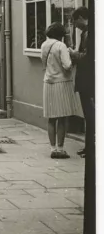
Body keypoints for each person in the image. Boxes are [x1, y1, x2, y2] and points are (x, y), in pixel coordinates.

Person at [41, 22, 83, 159]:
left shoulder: (44, 45)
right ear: (61, 34)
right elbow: (67, 65)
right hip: (62, 83)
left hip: (48, 83)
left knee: (51, 118)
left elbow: (44, 63)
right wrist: (73, 57)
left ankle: (52, 148)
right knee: (62, 117)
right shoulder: (61, 46)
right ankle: (60, 148)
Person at [69, 6, 93, 158]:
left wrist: (73, 54)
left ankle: (91, 149)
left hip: (89, 80)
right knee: (89, 115)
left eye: (75, 21)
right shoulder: (86, 32)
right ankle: (88, 147)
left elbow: (88, 57)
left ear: (81, 18)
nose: (75, 25)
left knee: (91, 115)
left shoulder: (90, 32)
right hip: (86, 80)